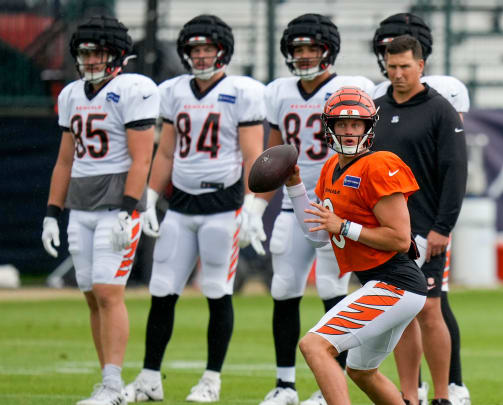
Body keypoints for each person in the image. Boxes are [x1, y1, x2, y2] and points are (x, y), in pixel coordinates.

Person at [122, 15, 267, 403]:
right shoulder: (173, 91)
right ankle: (150, 376)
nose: (201, 56)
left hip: (223, 205)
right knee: (162, 290)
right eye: (195, 49)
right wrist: (150, 196)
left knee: (217, 291)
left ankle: (211, 379)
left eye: (208, 49)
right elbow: (166, 150)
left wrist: (254, 204)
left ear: (223, 51)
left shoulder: (242, 92)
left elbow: (254, 154)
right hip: (182, 205)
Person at [41, 15, 158, 405]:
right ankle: (106, 381)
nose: (90, 60)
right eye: (85, 53)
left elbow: (141, 159)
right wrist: (51, 212)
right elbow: (63, 161)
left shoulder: (134, 88)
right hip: (81, 205)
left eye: (98, 53)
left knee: (109, 293)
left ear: (118, 55)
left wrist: (128, 209)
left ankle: (112, 386)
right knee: (92, 295)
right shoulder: (72, 93)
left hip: (116, 207)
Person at [259, 14, 375, 405]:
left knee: (331, 289)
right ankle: (284, 384)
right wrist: (253, 205)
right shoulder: (278, 91)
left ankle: (332, 387)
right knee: (284, 288)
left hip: (334, 205)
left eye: (312, 48)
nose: (304, 55)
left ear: (328, 51)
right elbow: (273, 154)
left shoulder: (351, 88)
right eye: (298, 49)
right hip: (294, 205)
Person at [286, 85, 426, 405]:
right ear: (329, 126)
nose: (349, 131)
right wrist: (295, 188)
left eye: (356, 124)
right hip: (381, 283)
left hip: (395, 283)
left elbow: (399, 238)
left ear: (368, 127)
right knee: (361, 371)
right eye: (342, 124)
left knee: (314, 345)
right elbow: (320, 235)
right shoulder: (330, 168)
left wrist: (346, 227)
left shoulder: (379, 164)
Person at [371, 14, 471, 405]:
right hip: (387, 231)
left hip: (427, 229)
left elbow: (455, 172)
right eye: (391, 67)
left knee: (431, 309)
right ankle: (410, 396)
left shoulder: (440, 110)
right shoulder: (375, 109)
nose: (397, 74)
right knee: (402, 312)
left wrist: (443, 228)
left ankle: (444, 394)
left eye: (405, 67)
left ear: (421, 65)